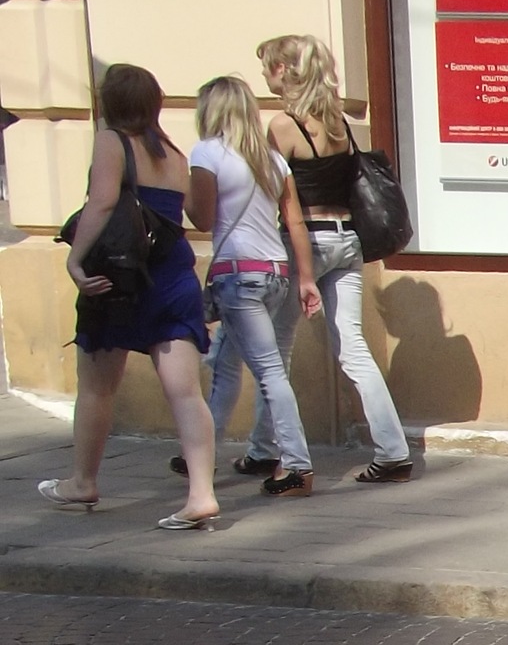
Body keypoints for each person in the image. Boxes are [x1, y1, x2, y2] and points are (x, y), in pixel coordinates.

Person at [40, 63, 223, 530]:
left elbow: (102, 202)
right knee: (185, 393)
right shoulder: (174, 153)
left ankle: (83, 481)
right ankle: (202, 494)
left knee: (97, 386)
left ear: (108, 102)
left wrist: (75, 260)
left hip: (121, 278)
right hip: (173, 275)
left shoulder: (111, 141)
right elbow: (199, 215)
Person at [256, 34, 414, 483]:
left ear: (284, 70)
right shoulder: (338, 123)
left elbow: (272, 192)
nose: (264, 74)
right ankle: (393, 451)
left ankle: (269, 450)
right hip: (347, 241)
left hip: (305, 242)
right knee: (354, 348)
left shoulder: (283, 126)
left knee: (276, 348)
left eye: (267, 66)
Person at [188, 73, 323, 498]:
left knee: (268, 372)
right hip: (275, 273)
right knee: (225, 360)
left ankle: (297, 465)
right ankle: (201, 453)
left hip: (237, 275)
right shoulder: (273, 161)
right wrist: (306, 278)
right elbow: (295, 223)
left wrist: (181, 191)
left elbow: (201, 218)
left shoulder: (207, 153)